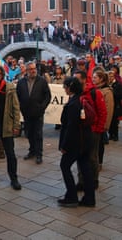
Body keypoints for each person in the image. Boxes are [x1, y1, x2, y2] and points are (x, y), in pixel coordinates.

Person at [58, 77, 95, 207]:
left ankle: (72, 196)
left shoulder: (74, 103)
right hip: (86, 140)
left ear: (70, 87)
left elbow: (71, 127)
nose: (64, 89)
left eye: (65, 86)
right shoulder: (81, 99)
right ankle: (90, 198)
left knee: (64, 166)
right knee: (85, 168)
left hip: (76, 142)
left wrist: (64, 145)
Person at [73, 69, 106, 190]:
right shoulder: (76, 93)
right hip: (80, 130)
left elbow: (102, 112)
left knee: (92, 157)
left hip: (93, 130)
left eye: (76, 79)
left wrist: (99, 129)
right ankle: (81, 181)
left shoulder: (94, 93)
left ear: (83, 80)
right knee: (80, 156)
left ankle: (94, 180)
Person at [16, 61, 52, 164]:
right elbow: (17, 96)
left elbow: (47, 96)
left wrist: (42, 107)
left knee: (38, 134)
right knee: (29, 133)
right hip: (26, 112)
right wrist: (20, 107)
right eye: (31, 69)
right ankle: (32, 151)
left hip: (38, 112)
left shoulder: (42, 81)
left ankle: (39, 154)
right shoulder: (21, 82)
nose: (33, 71)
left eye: (34, 69)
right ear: (27, 71)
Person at [108, 68, 122, 141]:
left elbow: (119, 95)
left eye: (111, 76)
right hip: (110, 105)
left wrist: (112, 91)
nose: (110, 78)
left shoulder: (118, 85)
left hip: (116, 105)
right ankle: (110, 134)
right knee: (110, 120)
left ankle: (115, 135)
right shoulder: (107, 85)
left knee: (115, 121)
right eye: (109, 76)